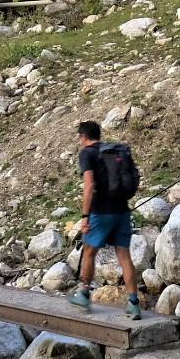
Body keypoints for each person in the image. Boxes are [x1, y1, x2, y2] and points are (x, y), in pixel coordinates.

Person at [68, 120, 142, 319]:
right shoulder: (114, 151)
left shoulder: (87, 153)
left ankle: (83, 294)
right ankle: (133, 304)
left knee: (90, 251)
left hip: (101, 211)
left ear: (83, 136)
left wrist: (85, 216)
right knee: (125, 257)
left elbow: (89, 185)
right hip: (122, 210)